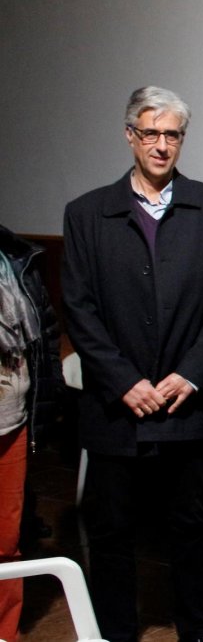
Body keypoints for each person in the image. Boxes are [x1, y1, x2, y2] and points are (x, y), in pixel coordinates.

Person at [62, 86, 203, 642]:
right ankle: (115, 629)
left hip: (189, 401)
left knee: (190, 525)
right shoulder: (87, 212)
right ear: (129, 136)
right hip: (115, 406)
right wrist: (123, 381)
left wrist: (191, 373)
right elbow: (79, 306)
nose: (161, 145)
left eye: (172, 135)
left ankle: (197, 627)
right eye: (151, 133)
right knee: (112, 528)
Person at [0, 225, 61, 642]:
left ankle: (6, 632)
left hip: (11, 418)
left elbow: (44, 335)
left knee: (6, 538)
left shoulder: (16, 257)